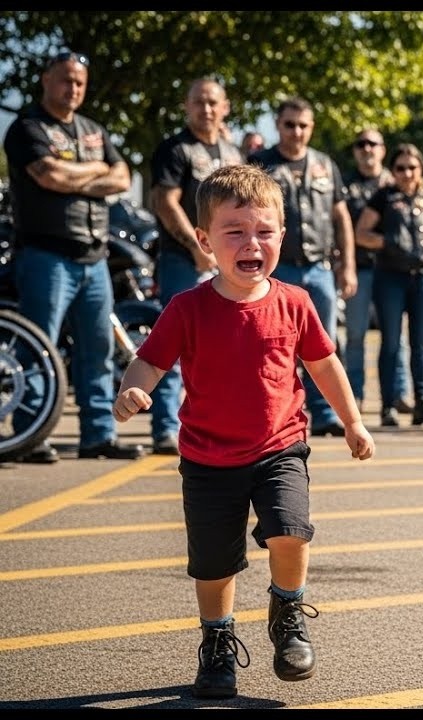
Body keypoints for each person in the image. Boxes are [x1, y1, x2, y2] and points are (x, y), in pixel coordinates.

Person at [112, 163, 375, 699]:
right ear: (205, 241)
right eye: (234, 232)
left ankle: (287, 610)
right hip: (207, 460)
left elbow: (325, 366)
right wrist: (130, 390)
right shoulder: (187, 308)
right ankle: (217, 642)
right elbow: (148, 362)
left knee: (291, 530)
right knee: (213, 565)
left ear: (282, 235)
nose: (250, 242)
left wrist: (352, 422)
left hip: (279, 448)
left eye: (264, 231)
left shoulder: (295, 303)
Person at [1, 50, 144, 463]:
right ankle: (31, 435)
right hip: (46, 254)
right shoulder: (27, 128)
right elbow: (49, 175)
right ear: (47, 79)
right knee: (38, 349)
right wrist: (93, 173)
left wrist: (80, 176)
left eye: (80, 82)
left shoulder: (92, 129)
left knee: (96, 349)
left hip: (93, 256)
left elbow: (122, 176)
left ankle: (98, 435)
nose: (73, 88)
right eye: (65, 80)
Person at [249, 96, 358, 438]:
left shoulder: (325, 164)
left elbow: (341, 217)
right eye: (289, 124)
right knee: (272, 345)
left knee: (322, 345)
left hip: (319, 268)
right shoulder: (259, 164)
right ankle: (273, 413)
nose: (297, 132)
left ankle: (325, 414)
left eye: (303, 125)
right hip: (277, 269)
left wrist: (348, 265)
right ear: (278, 125)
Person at [147, 76, 243, 456]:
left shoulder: (233, 153)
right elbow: (166, 202)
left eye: (212, 102)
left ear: (225, 107)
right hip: (182, 260)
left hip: (227, 264)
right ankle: (165, 428)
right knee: (175, 343)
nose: (206, 109)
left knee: (230, 344)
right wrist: (196, 246)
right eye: (198, 102)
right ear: (186, 107)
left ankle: (227, 425)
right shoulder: (175, 149)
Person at [353, 143, 423, 427]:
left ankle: (422, 404)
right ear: (393, 170)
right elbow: (361, 233)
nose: (407, 173)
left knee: (420, 344)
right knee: (391, 343)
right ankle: (388, 407)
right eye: (400, 168)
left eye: (412, 167)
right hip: (390, 277)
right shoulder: (383, 197)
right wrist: (387, 242)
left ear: (421, 169)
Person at [340, 127, 411, 418]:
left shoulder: (396, 182)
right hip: (360, 269)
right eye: (361, 144)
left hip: (392, 270)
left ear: (383, 149)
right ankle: (355, 395)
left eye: (373, 144)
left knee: (396, 337)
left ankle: (400, 393)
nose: (367, 149)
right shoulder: (346, 185)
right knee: (356, 335)